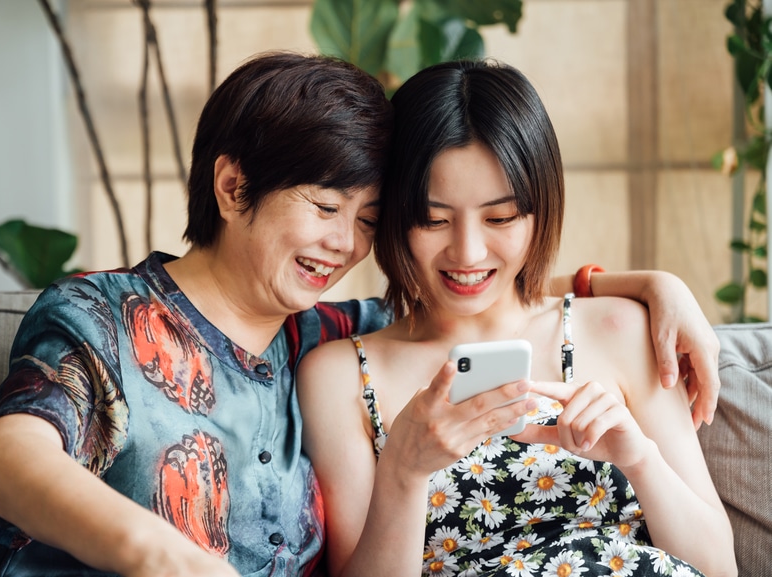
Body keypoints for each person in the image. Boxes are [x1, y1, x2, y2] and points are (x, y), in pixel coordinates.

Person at [0, 52, 721, 577]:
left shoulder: (314, 330)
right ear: (232, 188)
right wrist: (161, 555)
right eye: (322, 208)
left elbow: (472, 298)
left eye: (366, 217)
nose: (345, 244)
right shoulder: (101, 315)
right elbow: (11, 465)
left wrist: (638, 285)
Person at [297, 59, 737, 577]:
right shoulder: (340, 377)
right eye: (433, 219)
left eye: (500, 218)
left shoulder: (621, 329)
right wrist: (404, 471)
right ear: (394, 215)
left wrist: (639, 459)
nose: (468, 251)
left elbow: (720, 568)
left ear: (540, 209)